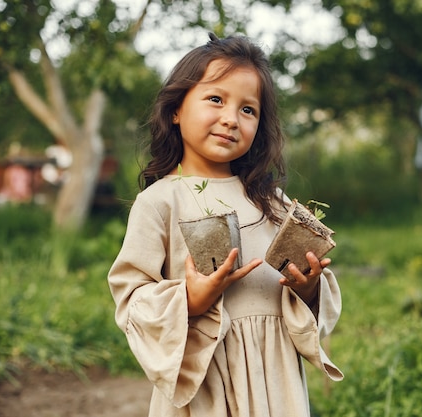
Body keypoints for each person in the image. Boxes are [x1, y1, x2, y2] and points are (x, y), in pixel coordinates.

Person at [108, 33, 343, 417]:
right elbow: (132, 298)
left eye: (248, 110)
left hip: (275, 379)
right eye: (216, 99)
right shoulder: (161, 201)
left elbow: (313, 300)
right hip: (205, 378)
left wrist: (310, 286)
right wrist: (191, 298)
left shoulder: (273, 203)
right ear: (176, 109)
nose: (231, 118)